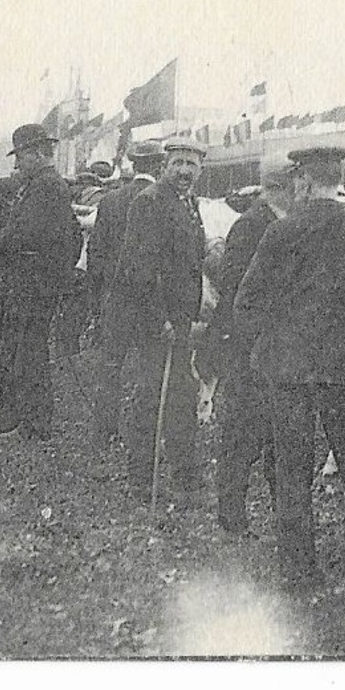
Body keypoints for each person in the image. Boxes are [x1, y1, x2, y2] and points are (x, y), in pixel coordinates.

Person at [234, 145, 345, 589]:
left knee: (291, 470)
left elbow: (246, 301)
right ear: (339, 179)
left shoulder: (280, 231)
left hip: (288, 370)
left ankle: (298, 570)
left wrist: (278, 329)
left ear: (304, 181)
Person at [108, 138, 208, 504]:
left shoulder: (189, 204)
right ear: (165, 165)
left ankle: (185, 482)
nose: (184, 170)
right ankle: (142, 482)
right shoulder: (149, 203)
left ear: (200, 169)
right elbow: (140, 270)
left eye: (192, 164)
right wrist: (160, 322)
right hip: (159, 324)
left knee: (181, 398)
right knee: (151, 400)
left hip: (182, 321)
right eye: (178, 162)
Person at [0, 124, 84, 439]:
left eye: (21, 156)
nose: (18, 164)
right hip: (36, 282)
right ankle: (26, 420)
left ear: (36, 154)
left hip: (32, 284)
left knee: (27, 353)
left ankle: (31, 423)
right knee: (26, 352)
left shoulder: (45, 186)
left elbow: (28, 233)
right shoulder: (44, 183)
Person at [206, 164, 295, 535]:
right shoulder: (251, 225)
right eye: (297, 185)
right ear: (280, 187)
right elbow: (234, 288)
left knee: (278, 435)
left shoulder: (281, 222)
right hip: (248, 349)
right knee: (242, 437)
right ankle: (232, 518)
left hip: (275, 347)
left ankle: (282, 516)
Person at [90, 141, 166, 442]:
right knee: (150, 366)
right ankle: (145, 431)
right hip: (151, 299)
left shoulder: (111, 201)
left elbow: (95, 253)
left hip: (116, 297)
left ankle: (104, 431)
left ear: (133, 166)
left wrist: (98, 299)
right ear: (160, 166)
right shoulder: (163, 201)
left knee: (110, 366)